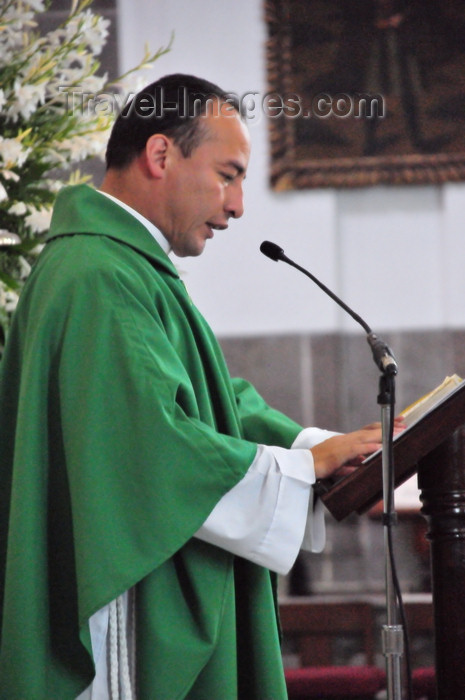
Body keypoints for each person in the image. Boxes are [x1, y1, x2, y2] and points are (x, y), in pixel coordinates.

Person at [0, 74, 398, 700]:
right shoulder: (98, 275)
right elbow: (150, 448)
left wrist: (312, 446)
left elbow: (207, 398)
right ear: (160, 155)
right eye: (228, 175)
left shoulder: (121, 265)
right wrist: (298, 468)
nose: (238, 205)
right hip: (124, 605)